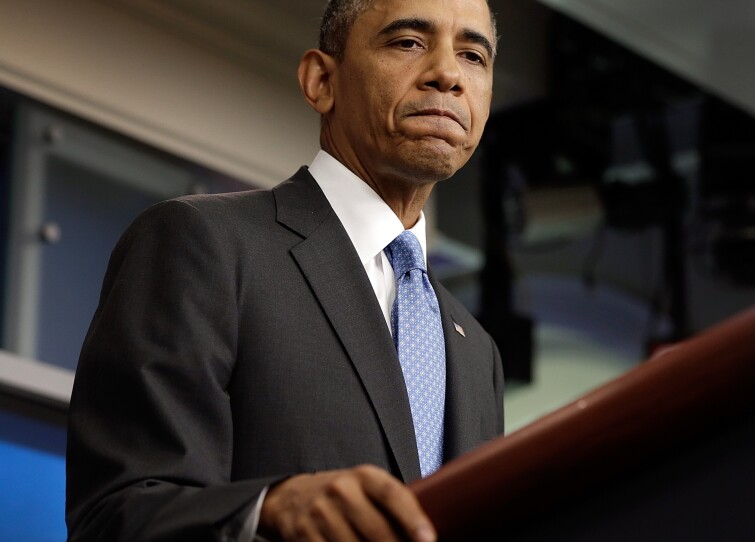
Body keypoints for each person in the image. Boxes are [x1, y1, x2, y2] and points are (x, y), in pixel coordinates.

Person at [65, 0, 503, 541]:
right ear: (321, 80)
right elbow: (115, 514)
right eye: (408, 43)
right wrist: (267, 509)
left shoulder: (476, 349)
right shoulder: (204, 243)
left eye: (472, 55)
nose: (448, 74)